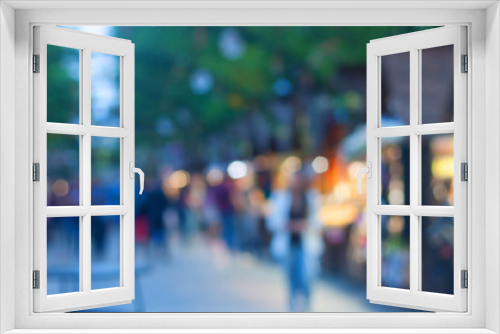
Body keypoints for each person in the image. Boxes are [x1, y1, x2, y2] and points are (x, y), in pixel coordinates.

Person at [266, 171, 324, 312]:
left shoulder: (312, 197)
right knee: (290, 276)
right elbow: (272, 221)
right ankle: (292, 305)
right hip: (288, 245)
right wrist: (287, 225)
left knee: (307, 276)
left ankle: (307, 304)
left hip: (307, 244)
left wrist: (305, 225)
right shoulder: (280, 197)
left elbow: (319, 221)